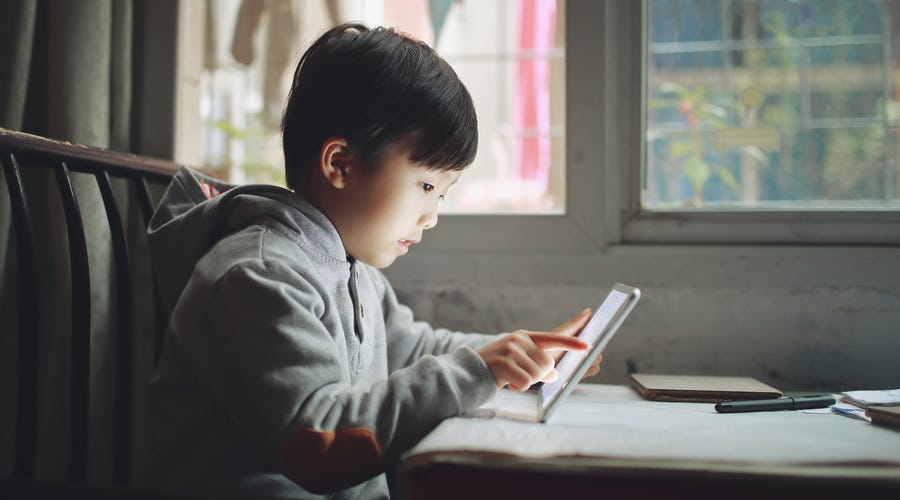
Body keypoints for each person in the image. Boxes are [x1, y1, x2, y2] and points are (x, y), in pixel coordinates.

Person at [142, 23, 597, 499]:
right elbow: (318, 442)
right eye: (425, 186)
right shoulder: (257, 277)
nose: (432, 216)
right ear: (340, 164)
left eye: (443, 194)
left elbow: (414, 348)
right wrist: (477, 372)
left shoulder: (349, 267)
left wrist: (519, 357)